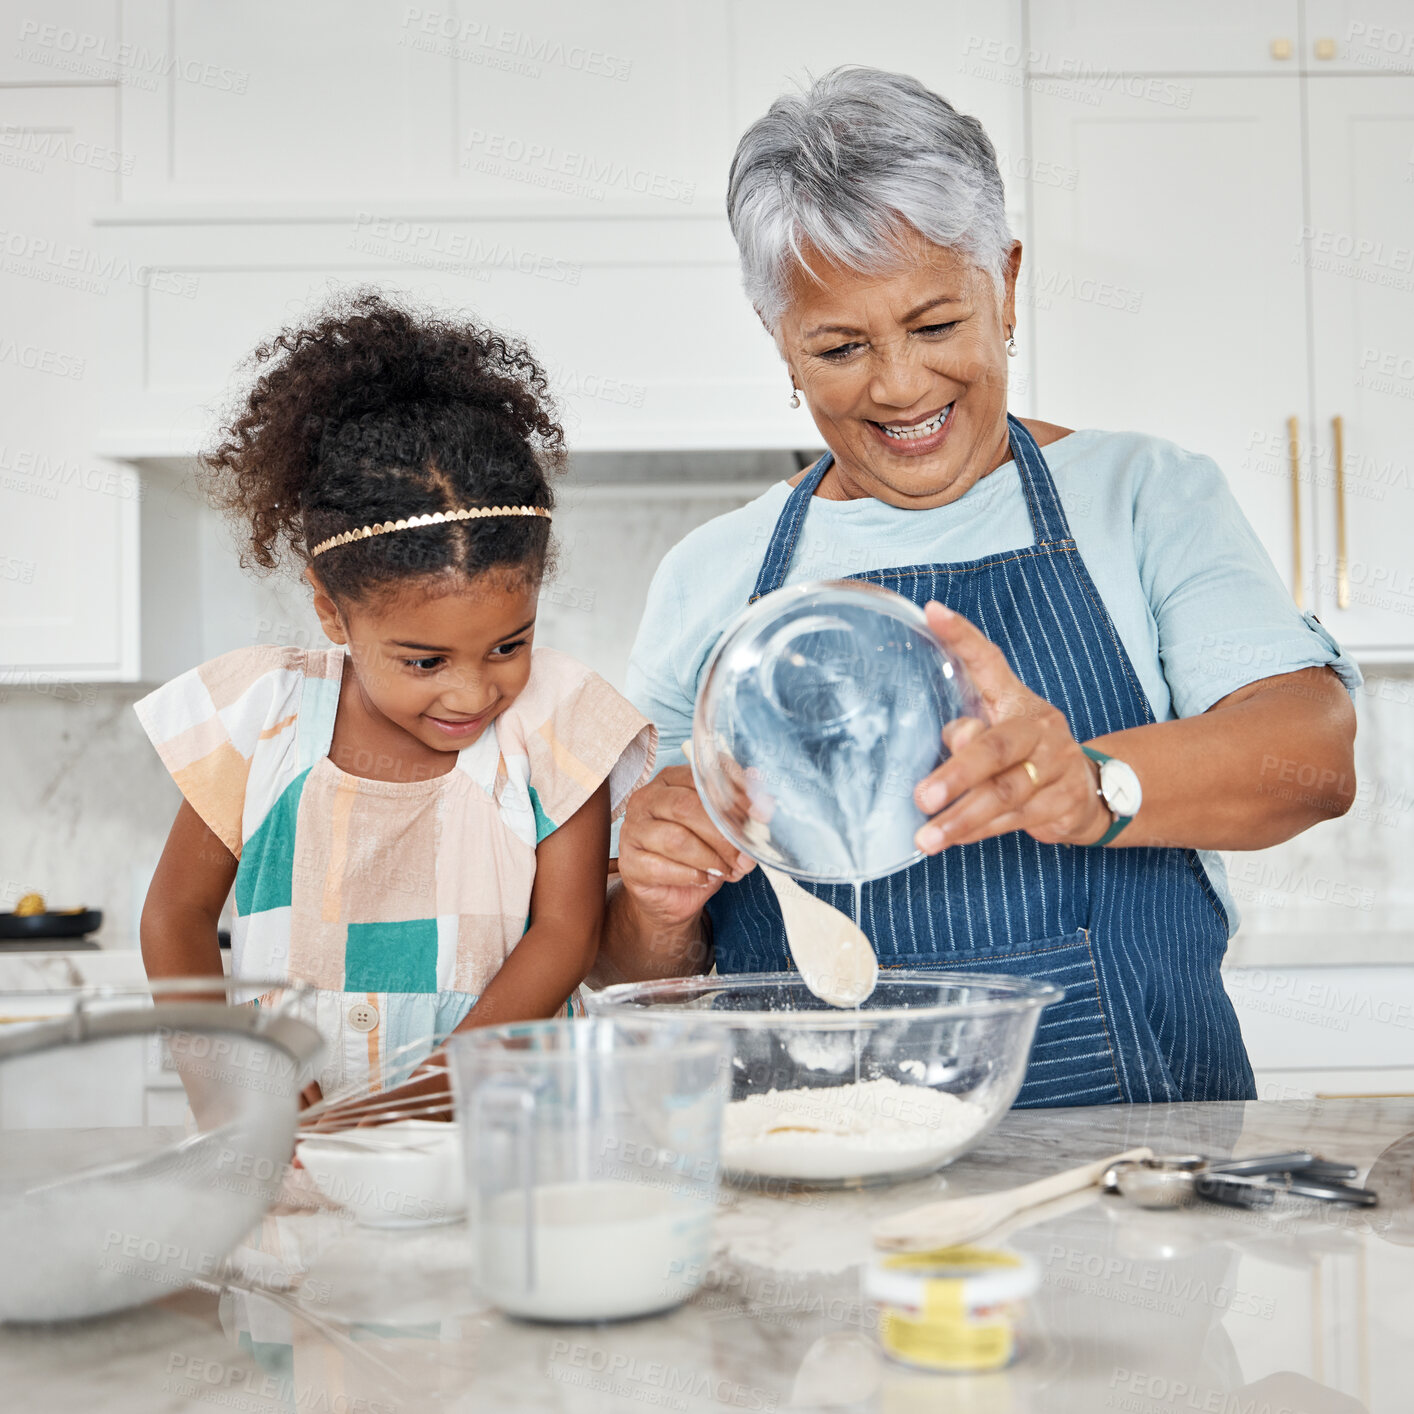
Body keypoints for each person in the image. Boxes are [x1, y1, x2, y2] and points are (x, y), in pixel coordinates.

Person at [599, 68, 1360, 1106]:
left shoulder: (1141, 496)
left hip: (1134, 1184)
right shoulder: (712, 575)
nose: (901, 386)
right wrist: (654, 901)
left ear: (1005, 281)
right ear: (779, 344)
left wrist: (1093, 782)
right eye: (838, 346)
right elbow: (637, 989)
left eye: (933, 324)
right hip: (818, 1190)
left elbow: (1313, 761)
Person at [137, 292, 654, 1104]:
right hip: (291, 1134)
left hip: (499, 1121)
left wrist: (429, 1095)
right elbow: (174, 916)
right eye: (424, 661)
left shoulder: (559, 718)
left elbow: (566, 935)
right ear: (329, 608)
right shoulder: (262, 712)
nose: (474, 689)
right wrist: (230, 1078)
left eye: (508, 645)